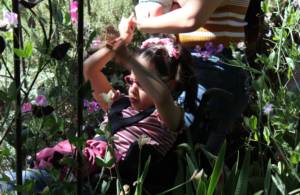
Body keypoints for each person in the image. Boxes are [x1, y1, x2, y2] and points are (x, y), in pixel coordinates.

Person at [0, 15, 197, 194]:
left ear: (170, 84)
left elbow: (162, 98)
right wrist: (120, 42)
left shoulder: (167, 120)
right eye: (131, 80)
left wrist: (129, 58)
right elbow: (90, 70)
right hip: (75, 173)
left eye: (143, 84)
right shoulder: (118, 103)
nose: (133, 90)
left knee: (15, 185)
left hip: (103, 185)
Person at [134, 0, 251, 156]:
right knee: (162, 135)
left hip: (215, 65)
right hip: (188, 62)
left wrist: (144, 24)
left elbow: (192, 18)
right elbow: (154, 10)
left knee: (184, 143)